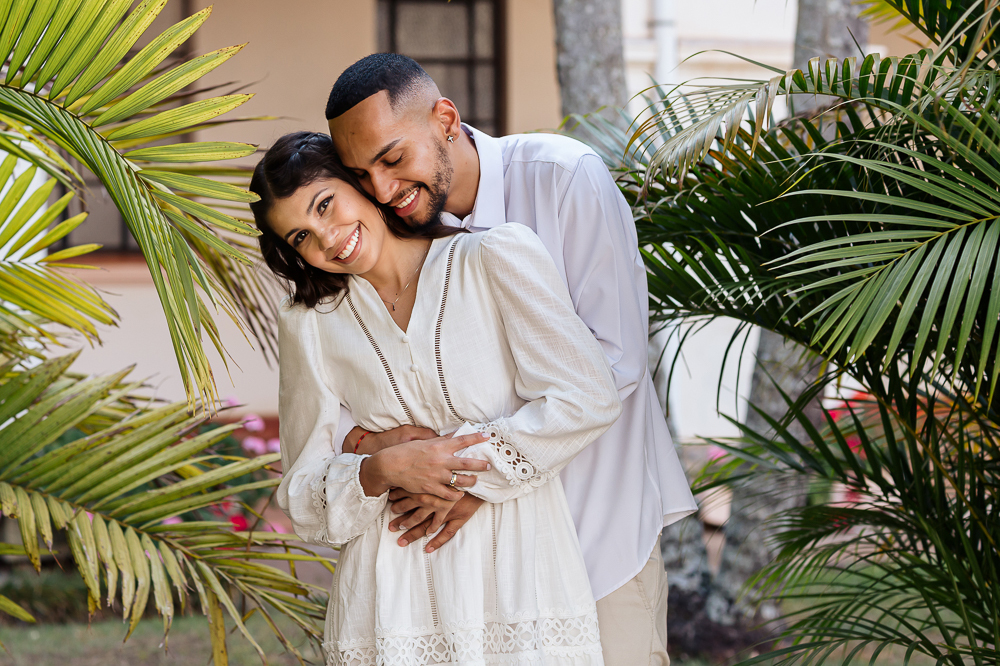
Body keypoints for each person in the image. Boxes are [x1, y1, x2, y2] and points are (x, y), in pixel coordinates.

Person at [324, 54, 699, 665]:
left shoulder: (565, 178)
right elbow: (353, 370)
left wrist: (472, 475)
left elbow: (615, 363)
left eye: (393, 159)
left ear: (446, 118)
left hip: (595, 533)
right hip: (475, 572)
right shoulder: (389, 233)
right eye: (362, 175)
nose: (383, 190)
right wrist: (376, 444)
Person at [254, 131, 622, 664]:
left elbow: (587, 398)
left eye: (326, 205)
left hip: (517, 577)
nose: (328, 239)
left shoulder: (494, 258)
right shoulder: (310, 323)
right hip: (392, 594)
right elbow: (302, 497)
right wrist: (380, 469)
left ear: (362, 182)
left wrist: (451, 469)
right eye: (301, 237)